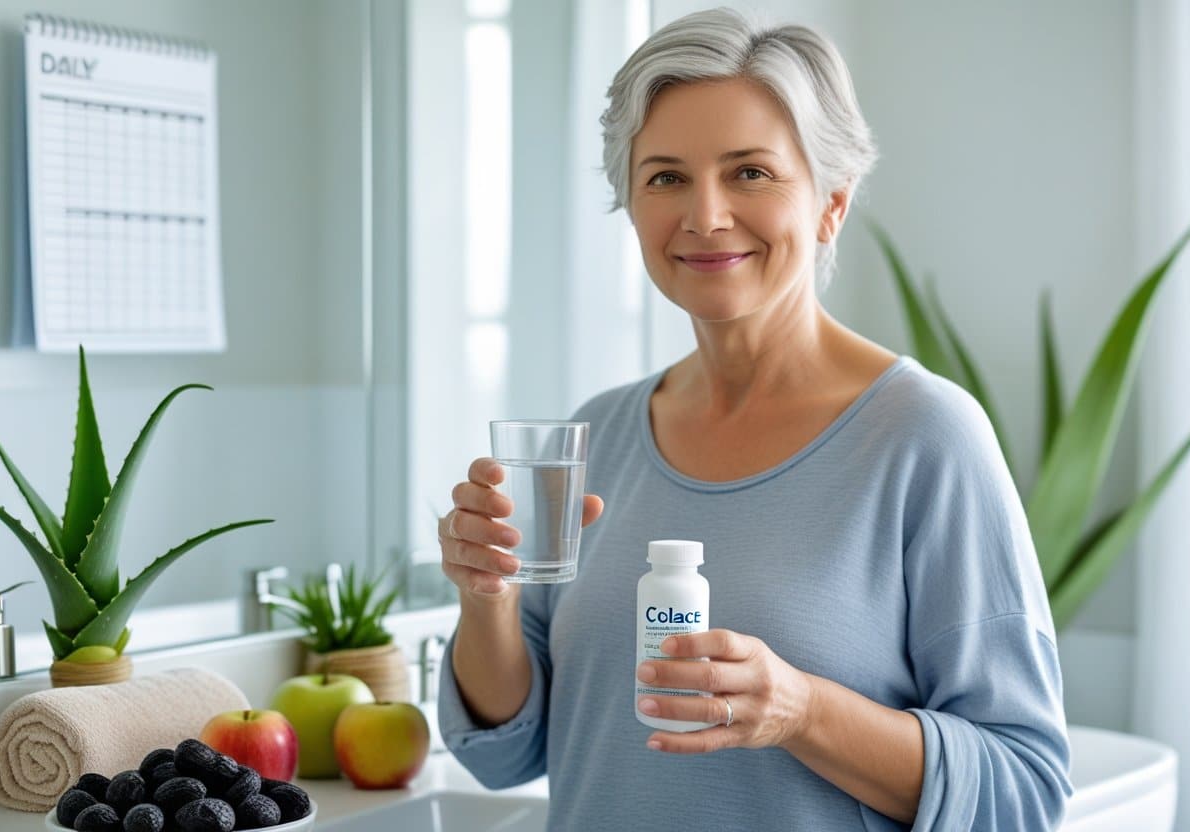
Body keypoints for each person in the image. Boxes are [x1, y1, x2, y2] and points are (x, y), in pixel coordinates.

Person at [436, 7, 1072, 830]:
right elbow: (502, 753)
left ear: (830, 204)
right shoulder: (601, 437)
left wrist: (801, 711)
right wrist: (485, 597)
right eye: (665, 176)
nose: (704, 215)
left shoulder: (925, 438)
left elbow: (1022, 789)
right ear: (631, 206)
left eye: (750, 172)